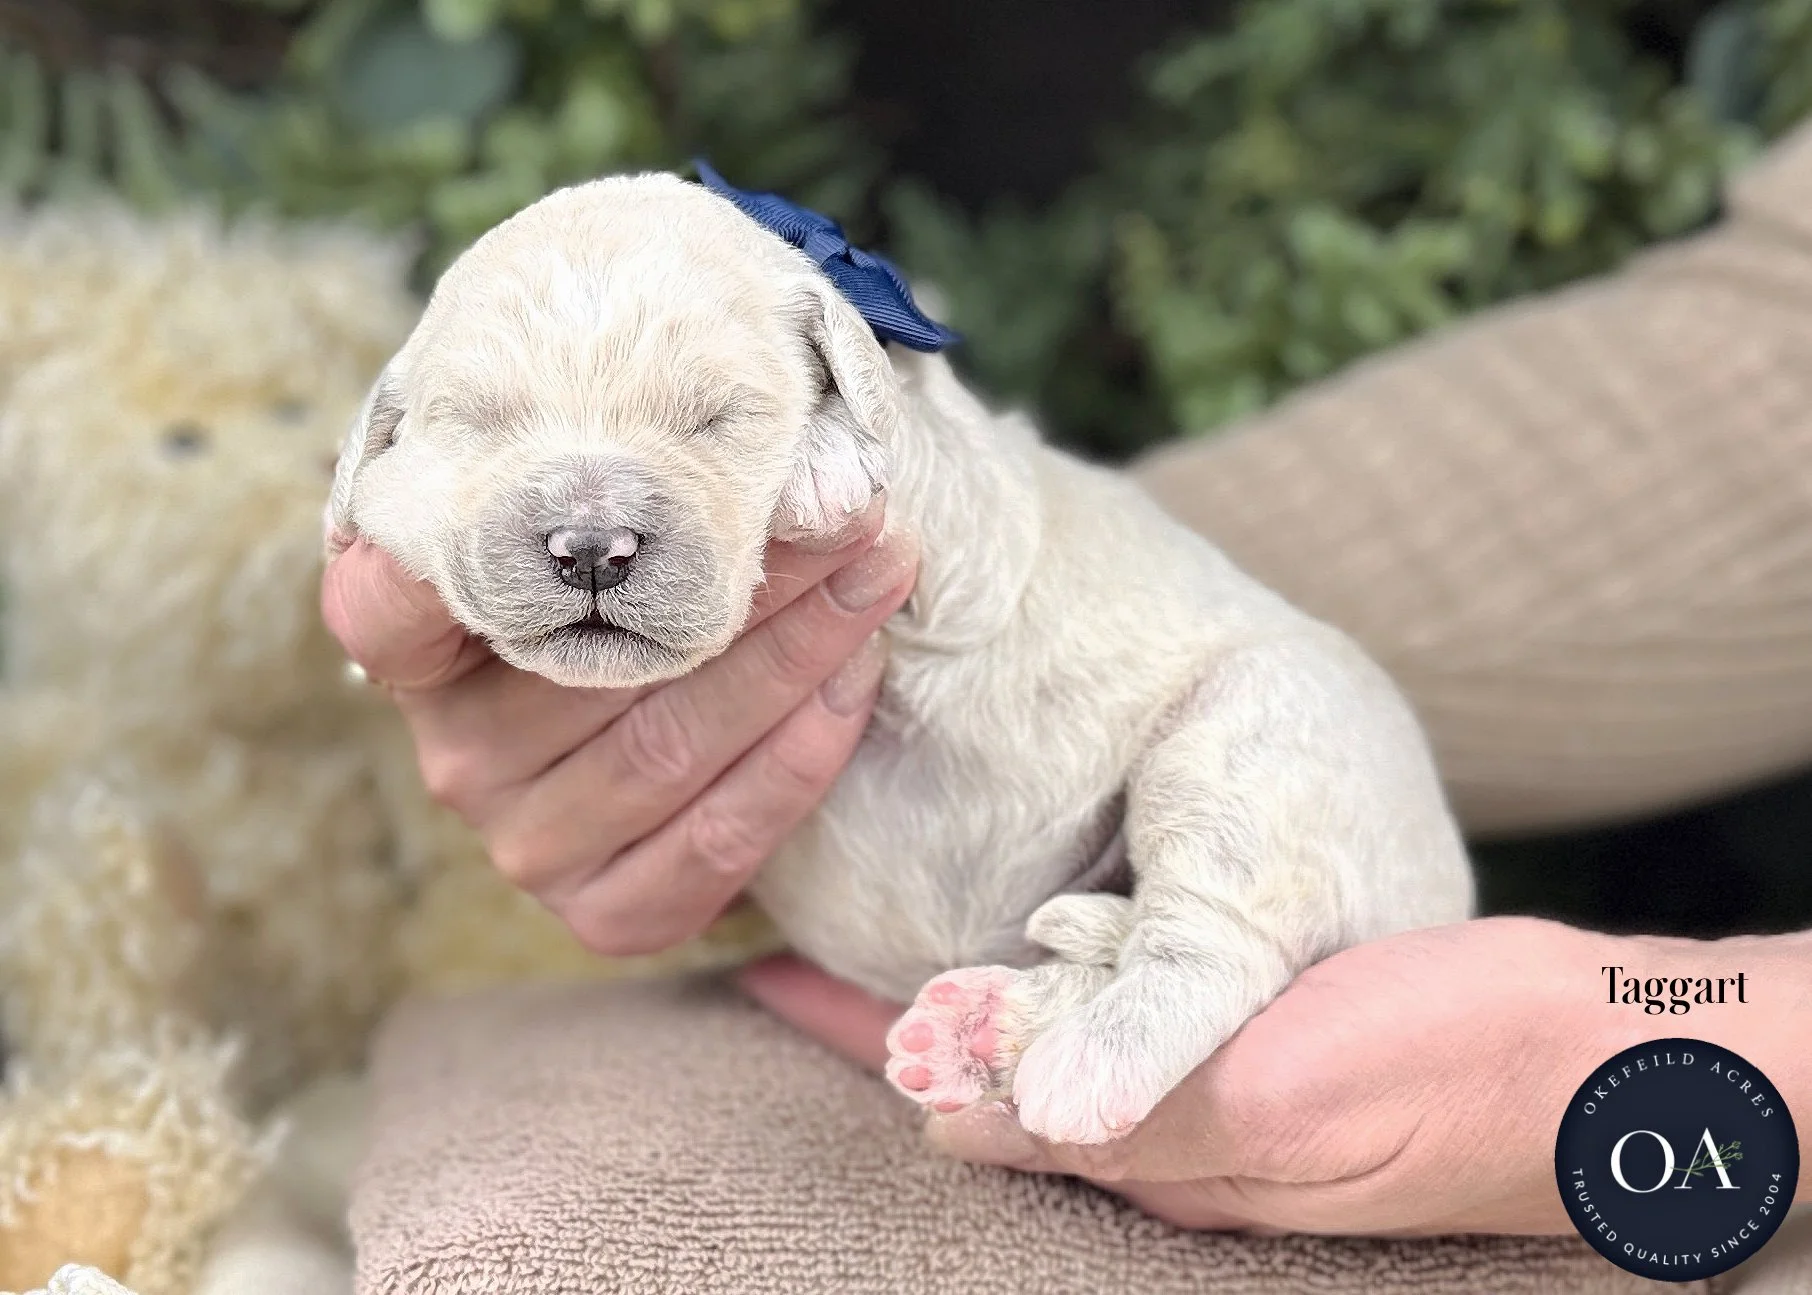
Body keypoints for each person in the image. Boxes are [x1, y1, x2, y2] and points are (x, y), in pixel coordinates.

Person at [322, 117, 1812, 1238]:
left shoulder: (874, 427)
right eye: (482, 421)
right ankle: (1118, 953)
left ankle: (1192, 956)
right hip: (1034, 838)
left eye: (713, 420)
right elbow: (1770, 356)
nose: (591, 532)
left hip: (1238, 756)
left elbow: (954, 557)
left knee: (1267, 705)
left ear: (849, 387)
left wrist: (1706, 1048)